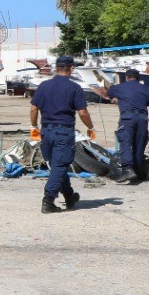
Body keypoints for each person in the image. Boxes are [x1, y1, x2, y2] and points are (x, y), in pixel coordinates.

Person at [30, 55, 96, 213]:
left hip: (46, 131)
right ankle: (48, 200)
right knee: (59, 165)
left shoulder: (44, 86)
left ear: (56, 68)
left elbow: (33, 108)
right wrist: (91, 127)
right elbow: (82, 112)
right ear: (71, 68)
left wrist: (34, 126)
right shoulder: (74, 87)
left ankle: (68, 195)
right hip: (63, 131)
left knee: (57, 165)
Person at [100, 69, 149, 182]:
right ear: (138, 78)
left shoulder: (120, 87)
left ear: (126, 77)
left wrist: (101, 84)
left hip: (128, 117)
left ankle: (127, 170)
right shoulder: (146, 88)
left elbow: (106, 94)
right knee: (139, 144)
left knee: (125, 142)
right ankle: (139, 171)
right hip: (142, 118)